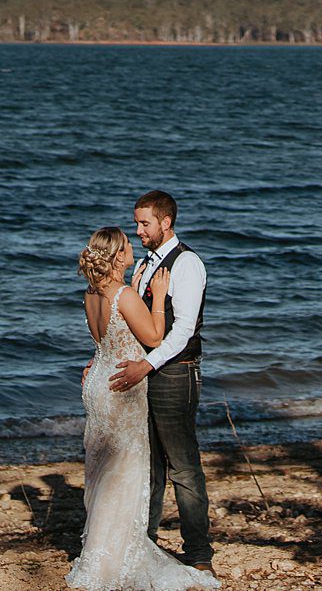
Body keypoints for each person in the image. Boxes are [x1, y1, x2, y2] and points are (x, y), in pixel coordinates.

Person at [71, 226, 218, 591]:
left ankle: (100, 552)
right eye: (126, 244)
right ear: (118, 256)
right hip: (125, 387)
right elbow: (153, 336)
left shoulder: (91, 294)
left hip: (100, 381)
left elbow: (106, 338)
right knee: (126, 469)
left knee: (103, 469)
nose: (134, 244)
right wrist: (158, 298)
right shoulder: (123, 294)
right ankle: (119, 555)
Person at [108, 190, 210, 572]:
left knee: (183, 466)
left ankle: (199, 555)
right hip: (147, 369)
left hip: (175, 373)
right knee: (149, 465)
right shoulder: (147, 264)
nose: (138, 230)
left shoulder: (187, 264)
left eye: (144, 223)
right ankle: (145, 544)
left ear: (165, 222)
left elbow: (183, 330)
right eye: (137, 223)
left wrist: (146, 366)